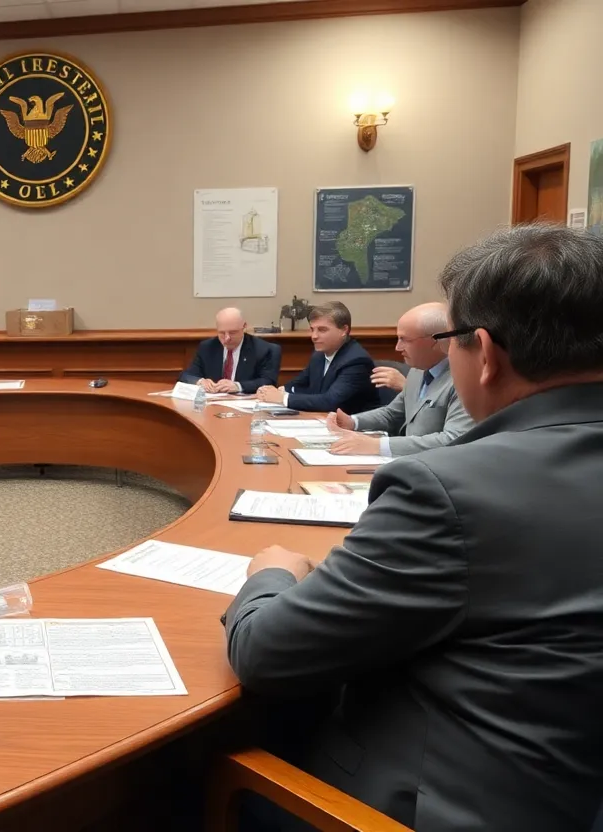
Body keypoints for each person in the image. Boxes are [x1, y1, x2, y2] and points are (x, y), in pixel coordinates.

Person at [223, 225, 603, 831]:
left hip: (434, 803)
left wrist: (271, 574)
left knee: (193, 772)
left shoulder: (449, 489)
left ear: (485, 353)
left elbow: (264, 653)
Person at [326, 302, 474, 456]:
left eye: (405, 339)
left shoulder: (465, 380)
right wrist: (352, 422)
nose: (397, 347)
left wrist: (378, 445)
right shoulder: (417, 371)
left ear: (435, 341)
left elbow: (453, 439)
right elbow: (392, 413)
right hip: (410, 463)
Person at [256, 301, 378, 414]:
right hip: (322, 420)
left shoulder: (356, 361)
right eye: (312, 329)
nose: (314, 336)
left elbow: (330, 402)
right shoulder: (319, 355)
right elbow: (298, 384)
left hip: (354, 426)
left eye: (322, 330)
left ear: (344, 330)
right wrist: (277, 391)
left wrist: (283, 398)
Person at [179, 307, 280, 394]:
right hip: (213, 404)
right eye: (222, 333)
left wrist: (238, 386)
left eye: (232, 333)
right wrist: (200, 381)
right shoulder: (207, 347)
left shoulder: (263, 350)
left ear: (244, 326)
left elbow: (268, 382)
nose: (227, 338)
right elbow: (186, 375)